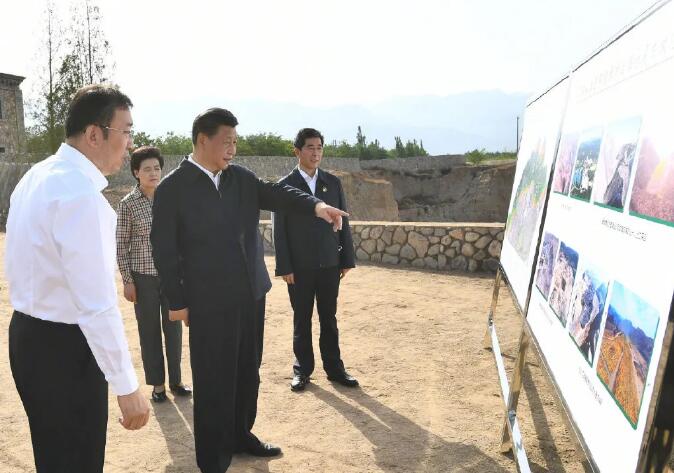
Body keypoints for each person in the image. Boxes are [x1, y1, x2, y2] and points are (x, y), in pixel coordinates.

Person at [150, 108, 348, 473]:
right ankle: (213, 456)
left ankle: (241, 435)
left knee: (247, 370)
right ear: (203, 140)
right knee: (213, 376)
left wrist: (317, 206)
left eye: (235, 142)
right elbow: (163, 249)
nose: (232, 149)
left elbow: (277, 193)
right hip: (208, 300)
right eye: (226, 142)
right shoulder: (173, 189)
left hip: (250, 293)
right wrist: (176, 300)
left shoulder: (239, 178)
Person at [5, 84, 150, 473]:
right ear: (94, 134)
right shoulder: (80, 195)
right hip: (65, 351)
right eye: (126, 131)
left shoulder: (37, 176)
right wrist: (126, 386)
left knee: (53, 457)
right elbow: (96, 304)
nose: (131, 144)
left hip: (28, 336)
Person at [273, 128, 358, 392]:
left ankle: (335, 369)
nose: (316, 152)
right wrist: (285, 266)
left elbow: (343, 222)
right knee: (302, 319)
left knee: (328, 318)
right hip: (299, 267)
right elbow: (279, 231)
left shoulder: (332, 183)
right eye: (310, 147)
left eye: (319, 147)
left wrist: (346, 258)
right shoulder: (284, 186)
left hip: (329, 263)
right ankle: (302, 370)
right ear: (297, 151)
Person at [116, 146, 192, 402]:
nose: (153, 173)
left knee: (174, 329)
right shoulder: (127, 204)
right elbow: (121, 245)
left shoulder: (171, 199)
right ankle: (158, 386)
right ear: (136, 172)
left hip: (172, 276)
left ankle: (176, 381)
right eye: (147, 169)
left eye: (157, 168)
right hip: (143, 279)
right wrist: (128, 280)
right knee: (149, 332)